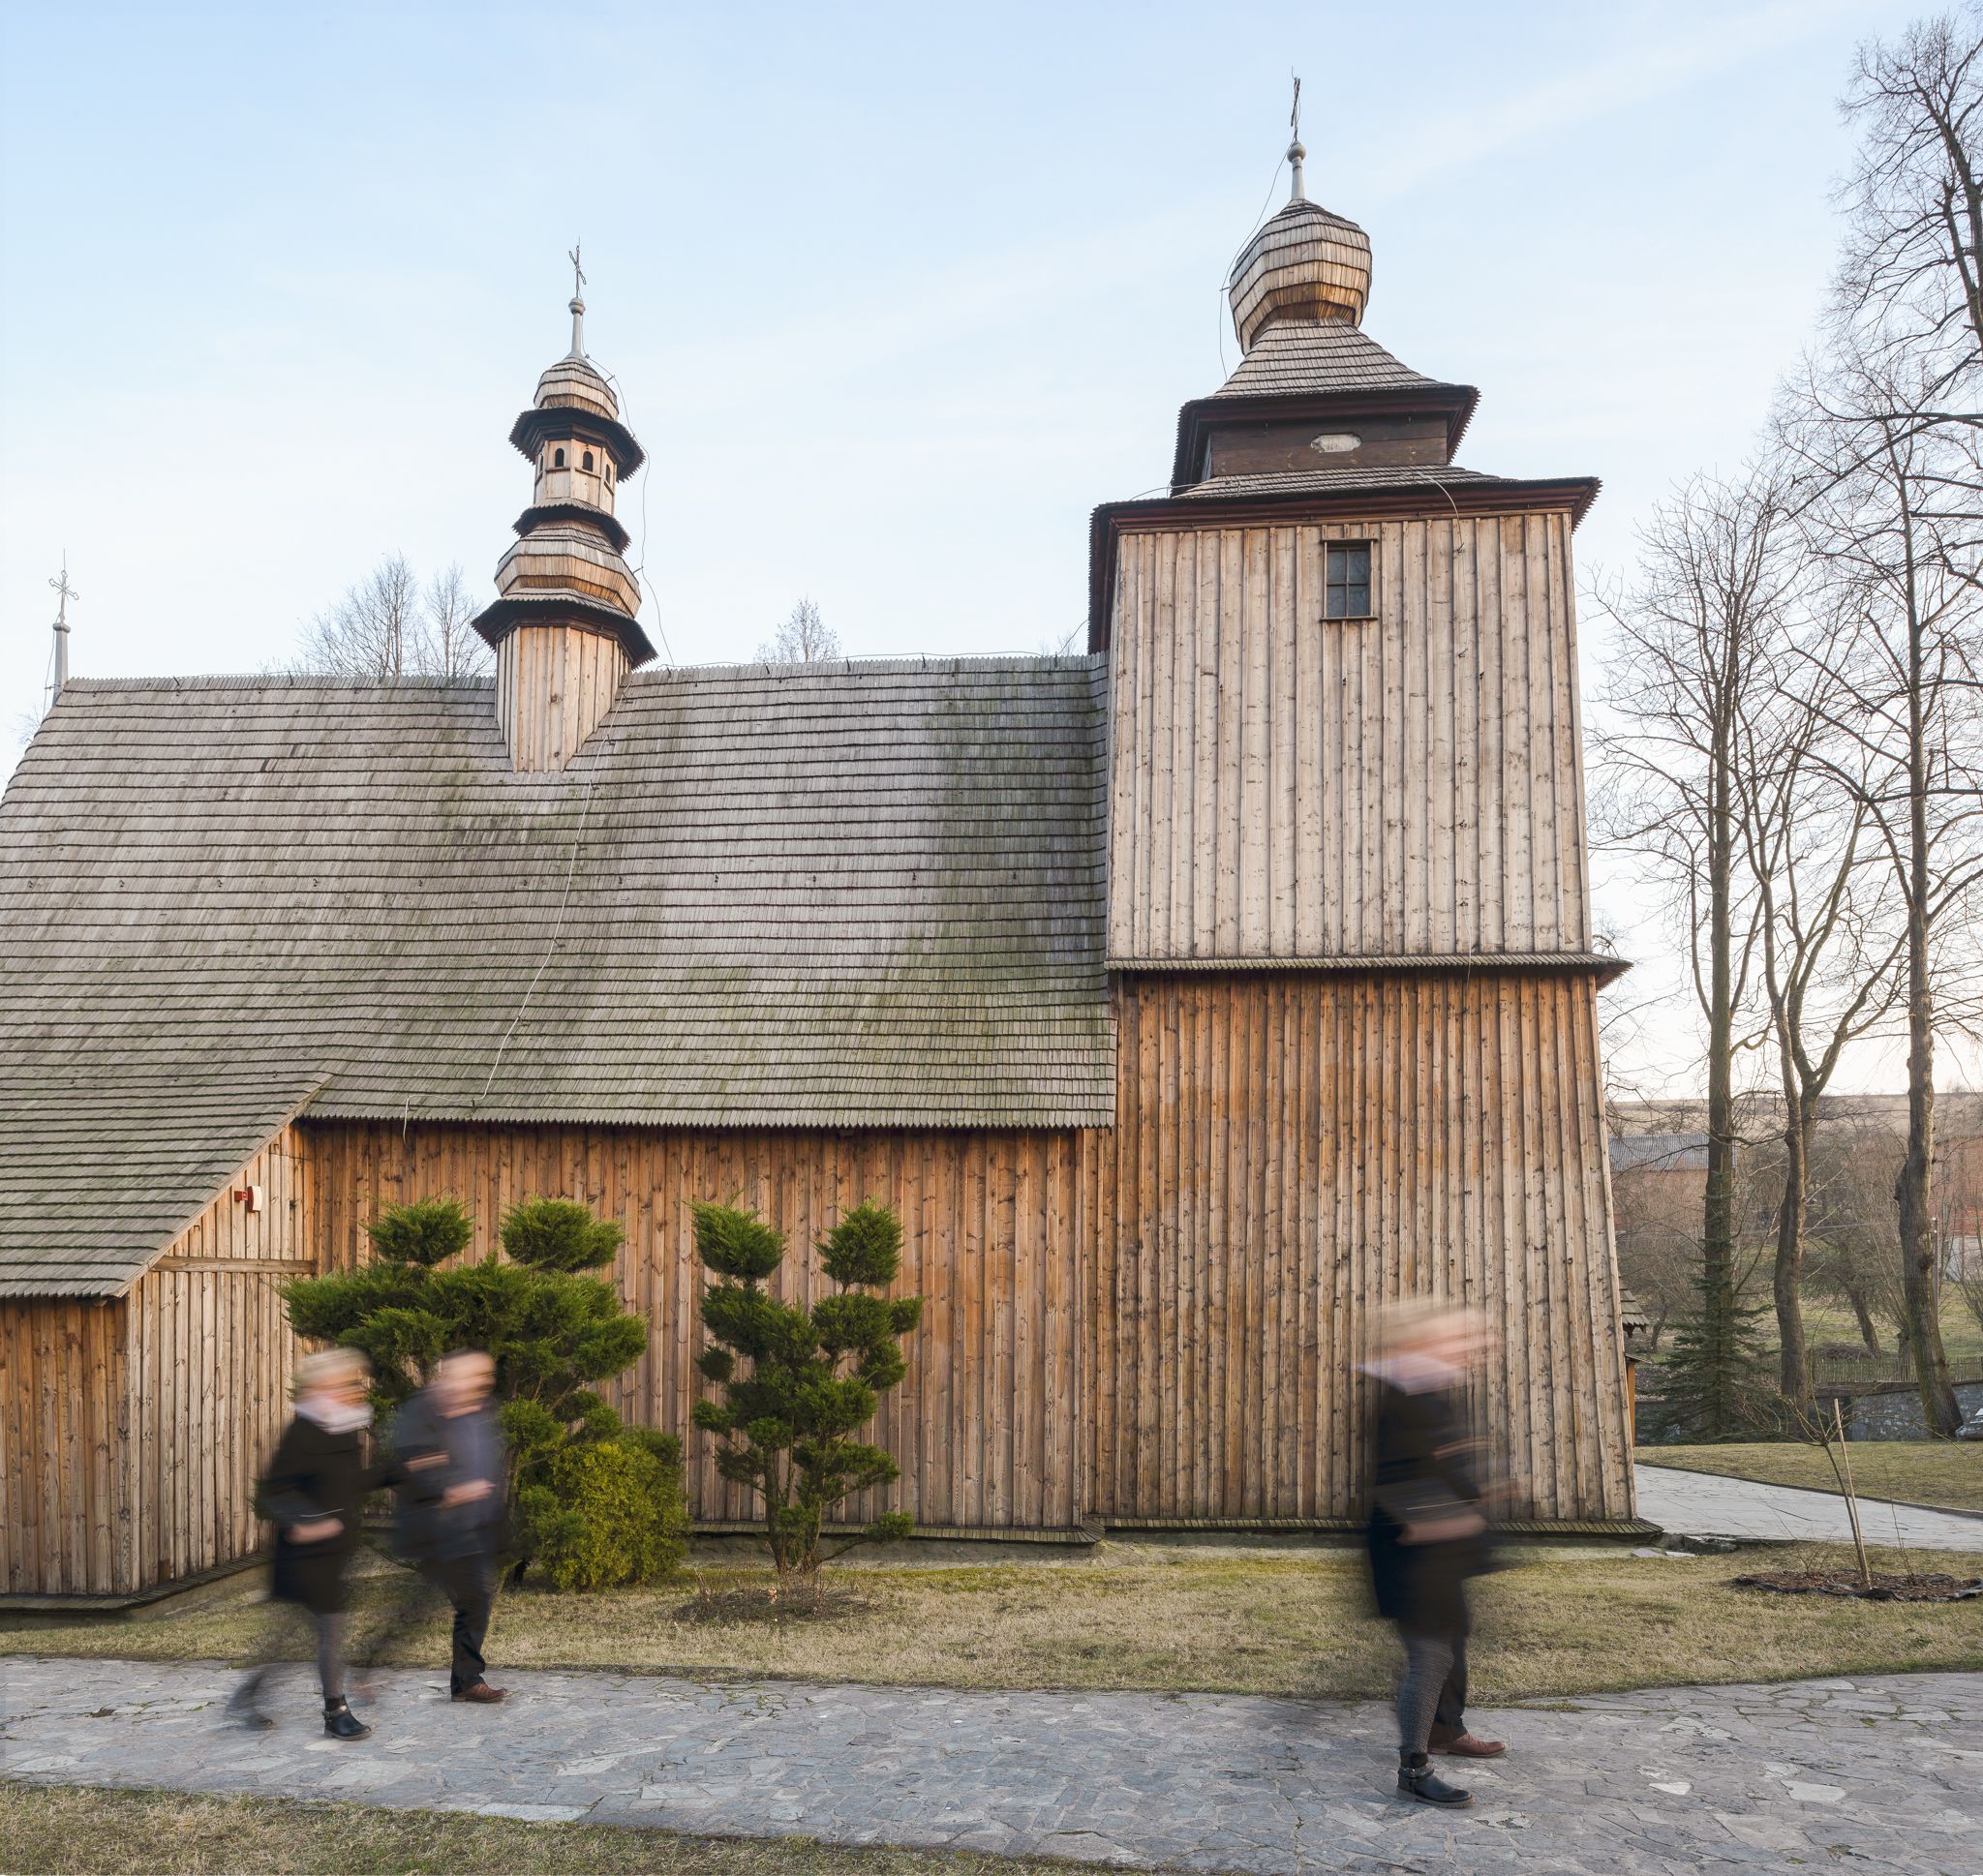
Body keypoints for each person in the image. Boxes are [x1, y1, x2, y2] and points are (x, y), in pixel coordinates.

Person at [1363, 1300, 1506, 1807]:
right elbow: (1398, 1477)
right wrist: (1443, 1518)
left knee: (1447, 1648)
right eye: (1460, 1338)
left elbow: (1438, 1464)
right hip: (1416, 1557)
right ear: (1424, 1341)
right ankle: (1414, 1769)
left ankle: (1445, 1730)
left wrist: (1477, 1491)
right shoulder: (1404, 1397)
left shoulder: (1428, 1390)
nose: (1473, 1347)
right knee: (1430, 1659)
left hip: (1439, 1555)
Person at [229, 1347, 381, 1740]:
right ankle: (336, 1711)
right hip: (303, 1554)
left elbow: (351, 1482)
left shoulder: (343, 1428)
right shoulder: (303, 1432)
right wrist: (309, 1520)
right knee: (330, 1629)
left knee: (288, 1638)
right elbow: (275, 1490)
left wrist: (402, 1471)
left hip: (333, 1552)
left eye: (353, 1382)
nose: (353, 1389)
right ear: (321, 1386)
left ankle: (247, 1695)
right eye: (344, 1382)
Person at [368, 1347, 509, 1704]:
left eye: (485, 1376)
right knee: (419, 1608)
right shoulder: (423, 1410)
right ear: (450, 1375)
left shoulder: (478, 1411)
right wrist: (450, 1490)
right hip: (436, 1527)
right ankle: (369, 1670)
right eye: (475, 1375)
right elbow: (410, 1466)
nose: (483, 1382)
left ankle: (466, 1681)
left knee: (472, 1601)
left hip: (468, 1528)